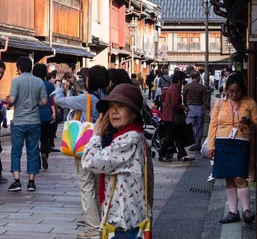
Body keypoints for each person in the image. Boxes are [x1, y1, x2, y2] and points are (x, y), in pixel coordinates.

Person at [82, 84, 153, 236]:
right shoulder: (134, 136)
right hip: (128, 221)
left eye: (120, 106)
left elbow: (89, 161)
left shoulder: (129, 139)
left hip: (124, 225)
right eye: (111, 106)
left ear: (134, 113)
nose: (114, 111)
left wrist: (96, 135)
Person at [54, 65, 109, 239]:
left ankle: (92, 229)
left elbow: (59, 100)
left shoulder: (89, 98)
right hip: (101, 145)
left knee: (86, 186)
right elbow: (85, 99)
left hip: (85, 147)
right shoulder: (105, 96)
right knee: (98, 185)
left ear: (90, 80)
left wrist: (58, 81)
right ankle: (101, 222)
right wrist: (75, 85)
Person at [208, 73, 257, 224]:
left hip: (241, 142)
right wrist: (211, 146)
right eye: (231, 91)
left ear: (243, 89)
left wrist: (248, 123)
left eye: (238, 91)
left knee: (240, 177)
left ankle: (247, 211)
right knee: (229, 178)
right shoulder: (220, 102)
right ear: (226, 89)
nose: (235, 94)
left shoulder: (250, 103)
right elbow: (213, 124)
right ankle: (233, 212)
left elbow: (256, 124)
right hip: (222, 142)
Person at [6, 57, 48, 193]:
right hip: (34, 121)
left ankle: (17, 181)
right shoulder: (39, 81)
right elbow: (44, 101)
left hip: (19, 121)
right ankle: (31, 182)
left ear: (19, 68)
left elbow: (12, 99)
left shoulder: (16, 81)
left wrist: (9, 103)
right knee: (33, 152)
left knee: (16, 151)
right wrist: (35, 103)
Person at [159, 70, 193, 162]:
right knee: (169, 136)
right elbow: (175, 104)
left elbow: (162, 96)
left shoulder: (171, 87)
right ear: (179, 80)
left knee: (178, 136)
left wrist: (166, 104)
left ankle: (182, 154)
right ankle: (161, 155)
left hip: (168, 116)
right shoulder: (175, 89)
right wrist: (182, 108)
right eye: (183, 80)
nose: (183, 82)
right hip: (171, 117)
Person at [33, 63, 56, 170]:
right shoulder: (49, 85)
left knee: (34, 139)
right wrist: (54, 112)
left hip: (34, 113)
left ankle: (36, 160)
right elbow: (52, 100)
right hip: (47, 114)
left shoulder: (32, 84)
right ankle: (45, 154)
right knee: (45, 138)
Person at [183, 70, 209, 152]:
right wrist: (207, 108)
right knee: (199, 128)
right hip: (199, 108)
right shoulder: (202, 88)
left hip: (190, 108)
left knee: (190, 127)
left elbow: (184, 98)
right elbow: (205, 100)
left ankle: (192, 143)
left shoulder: (187, 87)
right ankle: (198, 144)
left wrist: (185, 106)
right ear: (198, 77)